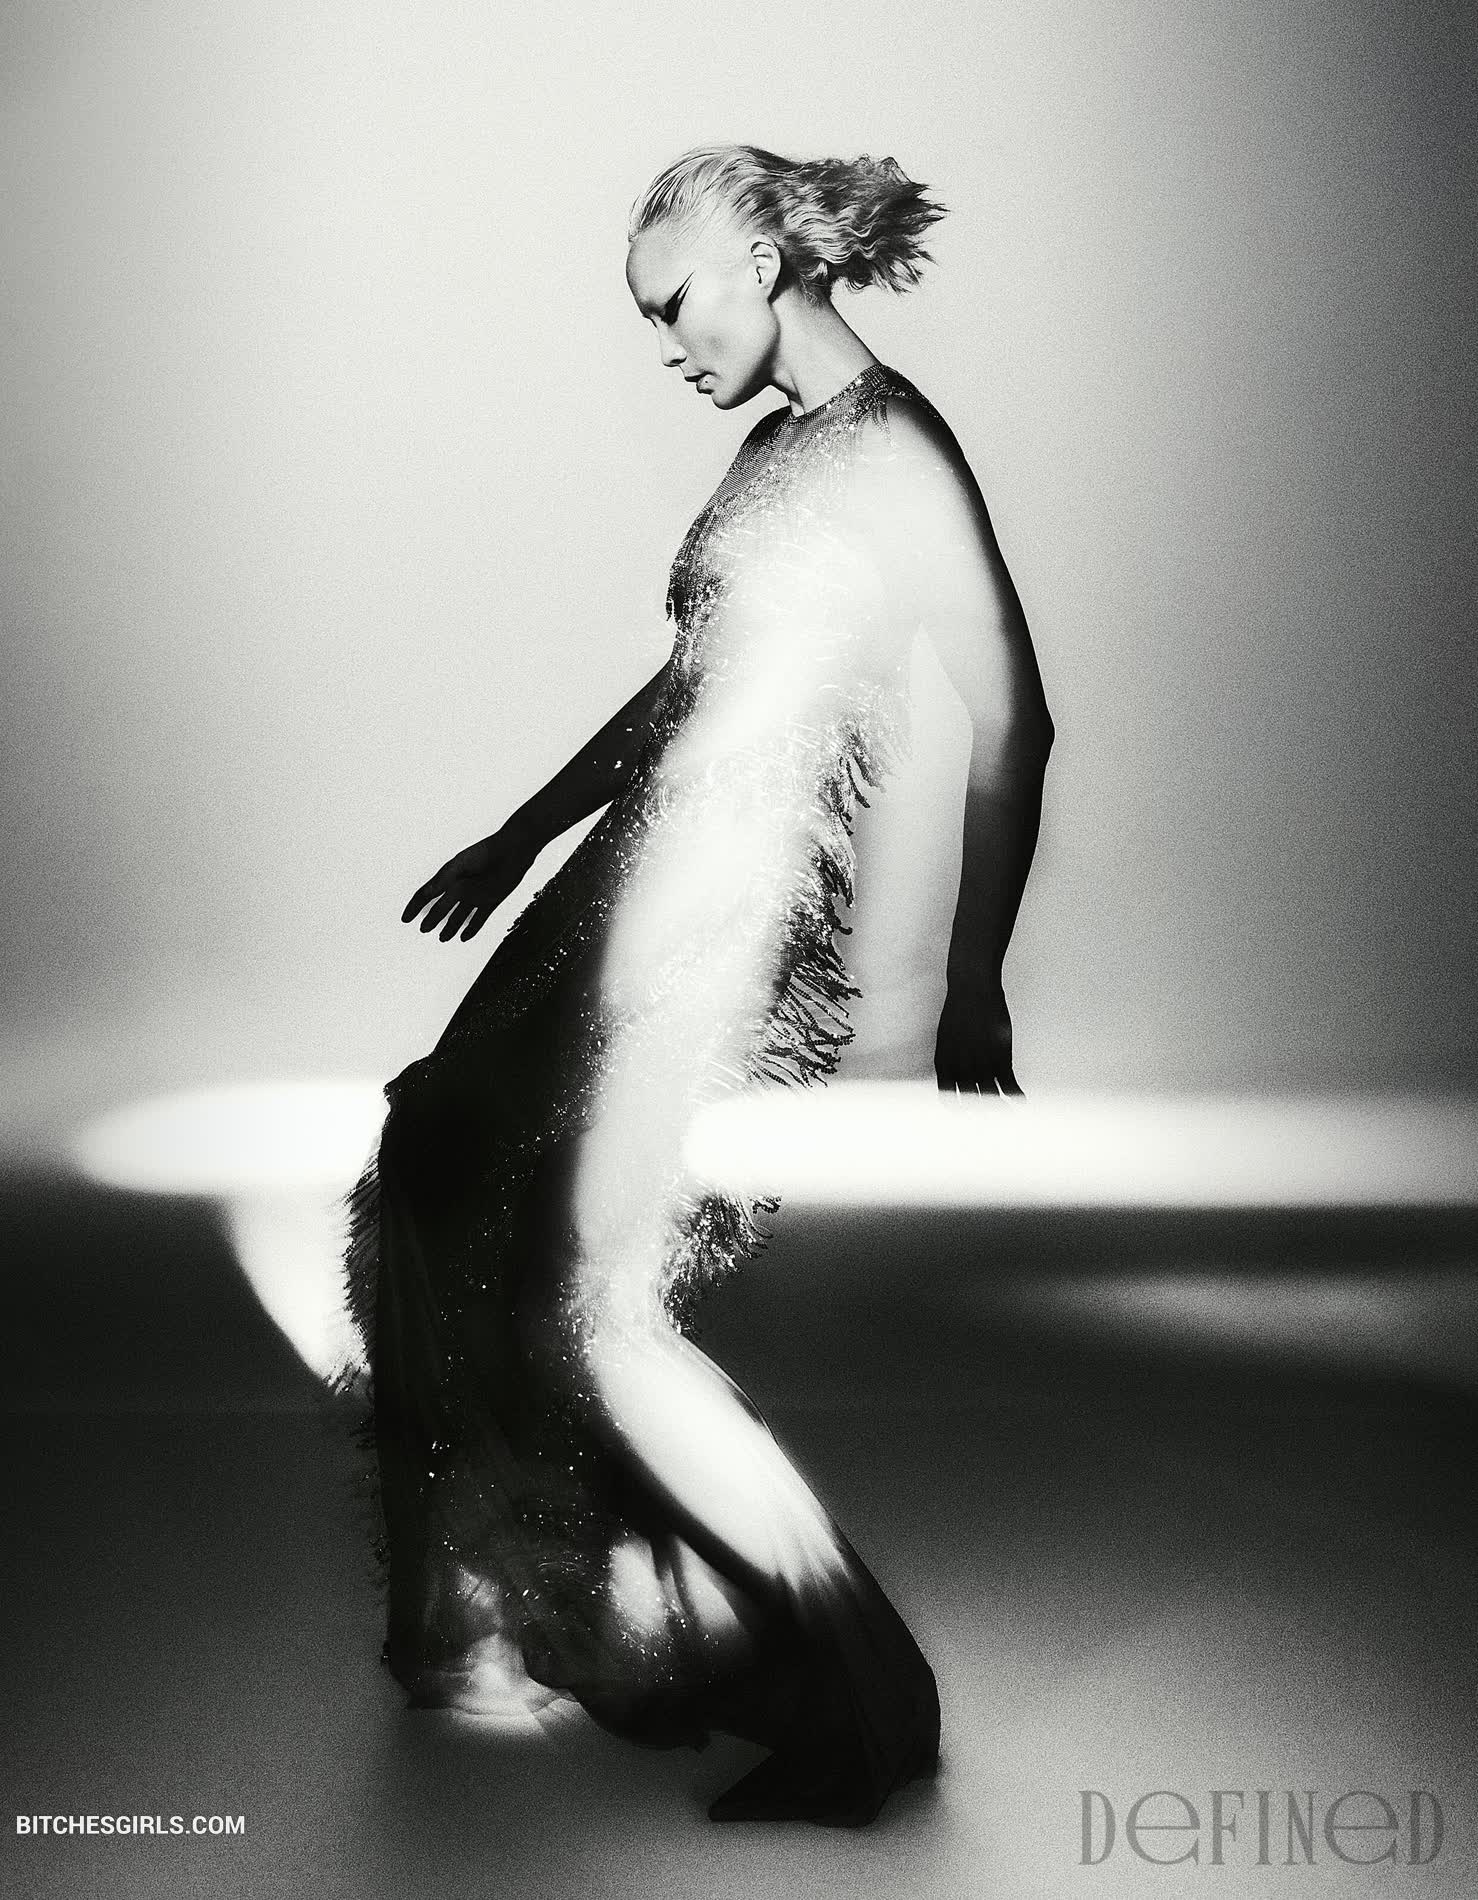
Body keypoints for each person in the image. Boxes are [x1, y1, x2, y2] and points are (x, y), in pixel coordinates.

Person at [338, 143, 1053, 1827]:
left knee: (586, 1303)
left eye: (671, 305)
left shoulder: (896, 448)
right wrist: (520, 832)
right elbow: (684, 687)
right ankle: (483, 1609)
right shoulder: (772, 448)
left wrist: (975, 979)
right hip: (619, 883)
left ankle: (857, 1703)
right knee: (439, 1159)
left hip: (723, 912)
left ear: (760, 259)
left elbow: (1013, 713)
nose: (663, 344)